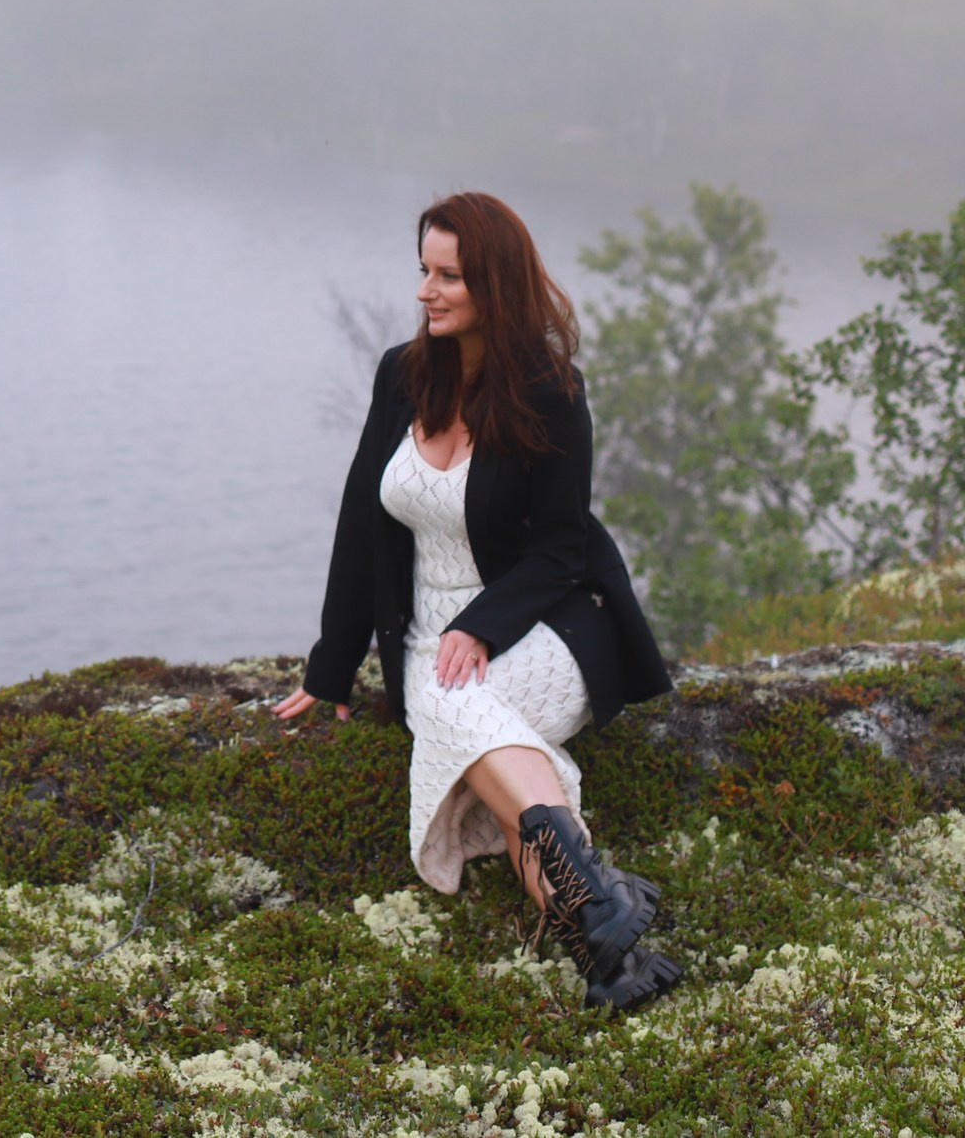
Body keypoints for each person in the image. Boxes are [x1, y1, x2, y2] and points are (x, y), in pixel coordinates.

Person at [274, 191, 681, 1010]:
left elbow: (565, 546)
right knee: (451, 702)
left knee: (454, 709)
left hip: (547, 624)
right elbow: (362, 519)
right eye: (423, 269)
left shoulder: (550, 390)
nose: (426, 290)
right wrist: (331, 667)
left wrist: (485, 626)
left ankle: (599, 921)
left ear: (493, 283)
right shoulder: (403, 373)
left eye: (448, 275)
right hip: (428, 632)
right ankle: (604, 943)